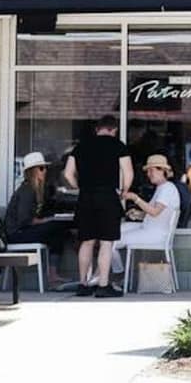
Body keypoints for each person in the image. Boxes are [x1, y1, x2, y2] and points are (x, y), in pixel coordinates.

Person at [64, 114, 133, 298]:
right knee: (106, 242)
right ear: (114, 130)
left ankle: (83, 284)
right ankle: (103, 285)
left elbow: (68, 174)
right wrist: (124, 191)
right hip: (108, 196)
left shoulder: (81, 147)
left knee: (86, 241)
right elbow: (128, 172)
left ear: (97, 129)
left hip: (86, 197)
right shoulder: (118, 146)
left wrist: (79, 187)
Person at [4, 152, 69, 288]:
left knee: (59, 231)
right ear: (32, 171)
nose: (45, 171)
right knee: (56, 228)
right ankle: (52, 275)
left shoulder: (38, 190)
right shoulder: (26, 191)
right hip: (17, 234)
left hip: (25, 231)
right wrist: (47, 221)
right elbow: (24, 220)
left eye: (45, 168)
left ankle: (53, 275)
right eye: (41, 168)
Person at [111, 154, 181, 279]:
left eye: (151, 170)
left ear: (162, 171)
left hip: (155, 234)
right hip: (148, 227)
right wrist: (139, 214)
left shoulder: (168, 189)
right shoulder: (162, 188)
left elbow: (154, 212)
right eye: (148, 171)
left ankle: (118, 274)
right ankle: (115, 273)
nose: (148, 174)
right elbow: (156, 214)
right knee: (111, 231)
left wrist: (135, 198)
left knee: (110, 240)